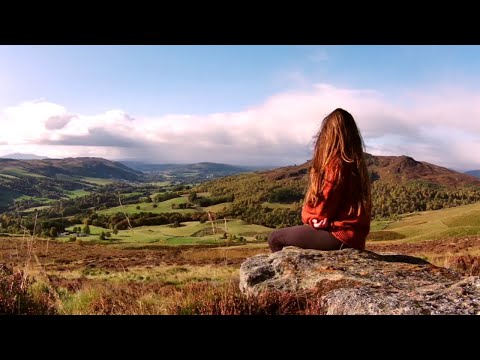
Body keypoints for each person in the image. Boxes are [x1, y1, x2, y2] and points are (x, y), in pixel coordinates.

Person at [268, 108, 371, 252]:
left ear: (328, 135)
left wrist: (307, 216)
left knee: (275, 238)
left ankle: (285, 274)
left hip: (339, 235)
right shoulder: (356, 164)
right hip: (355, 237)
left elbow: (322, 209)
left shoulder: (335, 164)